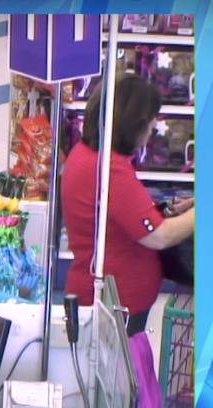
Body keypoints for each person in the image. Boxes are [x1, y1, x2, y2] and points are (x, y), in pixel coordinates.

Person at [61, 75, 195, 335]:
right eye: (150, 119)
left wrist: (163, 210)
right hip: (115, 308)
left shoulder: (86, 154)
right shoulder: (110, 170)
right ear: (133, 124)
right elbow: (158, 236)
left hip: (113, 302)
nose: (154, 126)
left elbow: (115, 215)